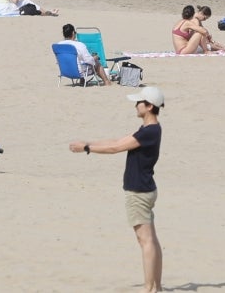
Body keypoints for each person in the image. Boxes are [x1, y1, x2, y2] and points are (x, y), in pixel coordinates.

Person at [69, 87, 164, 293]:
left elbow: (115, 149)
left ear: (149, 106)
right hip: (145, 189)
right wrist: (88, 143)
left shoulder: (149, 132)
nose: (135, 105)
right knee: (151, 240)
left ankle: (150, 289)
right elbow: (117, 142)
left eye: (139, 102)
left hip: (139, 191)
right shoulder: (147, 130)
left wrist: (87, 149)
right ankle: (156, 286)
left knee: (145, 240)